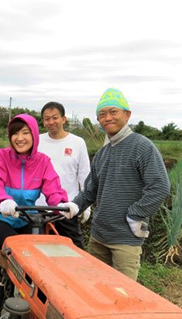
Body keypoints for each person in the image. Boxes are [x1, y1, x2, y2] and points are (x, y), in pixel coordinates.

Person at [0, 114, 77, 319]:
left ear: (34, 135)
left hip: (27, 218)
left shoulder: (42, 162)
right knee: (11, 249)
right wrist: (3, 200)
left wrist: (63, 204)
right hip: (0, 217)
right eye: (15, 132)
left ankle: (41, 309)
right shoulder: (0, 157)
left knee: (40, 255)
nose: (20, 137)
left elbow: (52, 189)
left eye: (25, 132)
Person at [71, 88, 170, 281]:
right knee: (96, 288)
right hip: (99, 237)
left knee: (122, 294)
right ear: (98, 121)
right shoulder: (103, 153)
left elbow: (160, 187)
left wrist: (135, 214)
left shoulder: (142, 147)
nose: (107, 117)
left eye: (113, 112)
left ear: (127, 114)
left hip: (125, 240)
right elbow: (90, 190)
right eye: (102, 114)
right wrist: (74, 205)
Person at [38, 101, 91, 249]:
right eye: (47, 118)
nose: (51, 122)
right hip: (39, 209)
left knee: (75, 250)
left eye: (55, 117)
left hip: (66, 208)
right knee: (40, 253)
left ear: (63, 119)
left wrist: (85, 206)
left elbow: (85, 175)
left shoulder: (77, 143)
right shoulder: (37, 141)